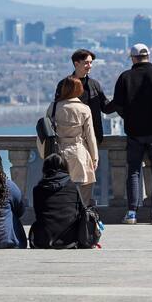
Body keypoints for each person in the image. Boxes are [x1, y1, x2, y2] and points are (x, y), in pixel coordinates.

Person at [112, 44, 152, 225]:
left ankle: (132, 212)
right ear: (149, 56)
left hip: (134, 132)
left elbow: (118, 104)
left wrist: (129, 117)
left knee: (133, 171)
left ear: (132, 58)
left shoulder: (125, 77)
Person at [41, 76, 99, 208]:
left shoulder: (54, 107)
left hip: (58, 153)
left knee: (59, 188)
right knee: (82, 193)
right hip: (79, 152)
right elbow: (90, 136)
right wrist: (94, 158)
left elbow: (46, 131)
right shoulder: (84, 109)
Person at [30, 154, 101, 249]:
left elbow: (38, 213)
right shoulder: (73, 187)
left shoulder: (38, 189)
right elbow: (81, 212)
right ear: (65, 167)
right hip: (69, 240)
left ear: (45, 168)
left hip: (43, 240)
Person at [55, 48, 111, 145]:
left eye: (91, 63)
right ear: (76, 64)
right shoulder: (64, 85)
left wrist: (121, 101)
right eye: (86, 63)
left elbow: (106, 108)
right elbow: (57, 109)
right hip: (71, 139)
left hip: (93, 137)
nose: (90, 66)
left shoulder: (94, 85)